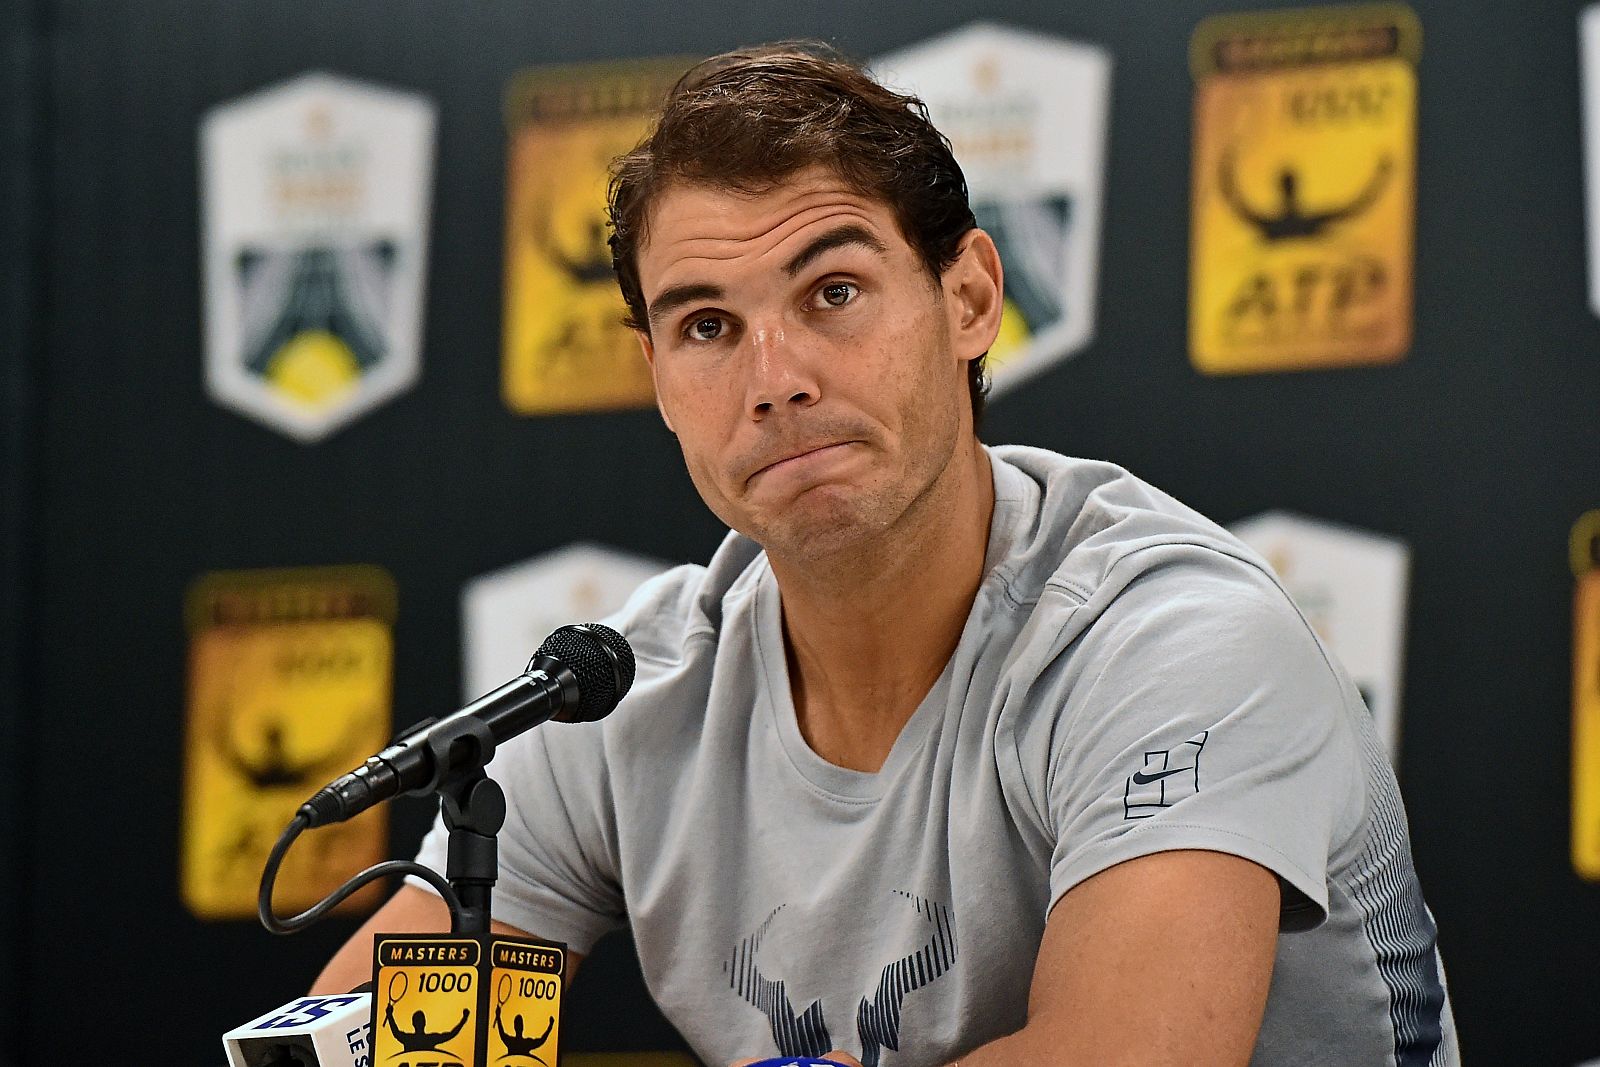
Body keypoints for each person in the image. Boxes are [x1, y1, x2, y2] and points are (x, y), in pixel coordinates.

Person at [316, 42, 1458, 1066]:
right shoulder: (618, 698)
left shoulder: (1173, 638)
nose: (774, 378)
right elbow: (360, 1045)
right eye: (706, 325)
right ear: (657, 375)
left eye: (835, 291)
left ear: (968, 298)